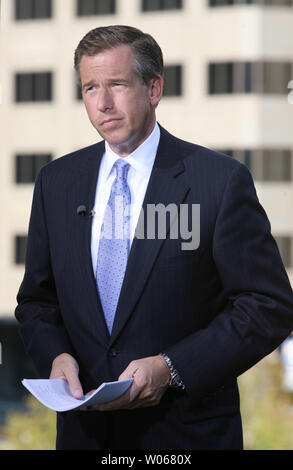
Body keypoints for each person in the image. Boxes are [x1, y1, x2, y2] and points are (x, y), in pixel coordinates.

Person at [15, 25, 293, 450]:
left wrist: (171, 367)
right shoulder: (56, 182)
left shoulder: (217, 182)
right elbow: (37, 300)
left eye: (117, 85)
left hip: (187, 437)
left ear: (154, 88)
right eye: (90, 88)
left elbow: (268, 306)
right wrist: (56, 356)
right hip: (84, 437)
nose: (103, 103)